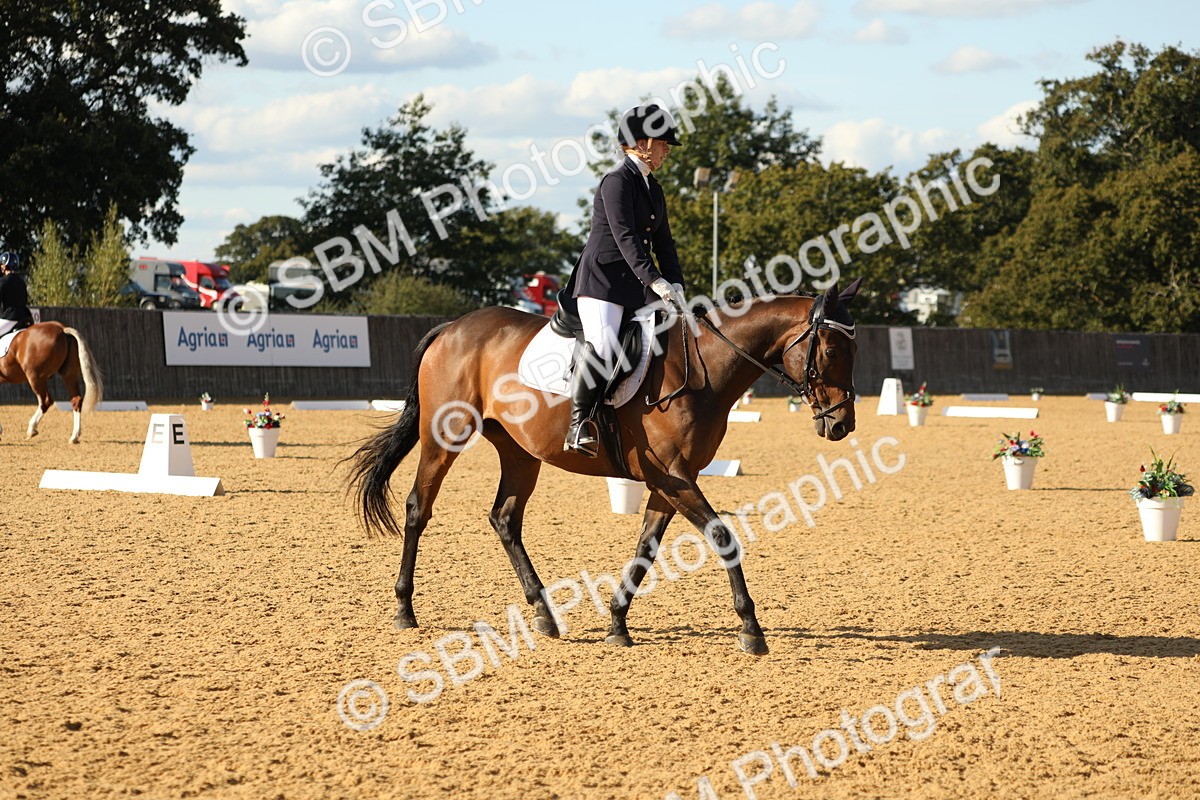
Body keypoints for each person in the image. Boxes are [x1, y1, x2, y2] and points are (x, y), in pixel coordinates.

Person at [559, 104, 688, 457]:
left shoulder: (653, 188)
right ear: (642, 143)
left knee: (670, 340)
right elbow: (625, 237)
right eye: (662, 144)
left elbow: (664, 242)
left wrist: (675, 282)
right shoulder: (616, 182)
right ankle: (579, 424)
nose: (665, 151)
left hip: (636, 287)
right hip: (602, 283)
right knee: (603, 345)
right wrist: (654, 279)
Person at [0, 251, 34, 338]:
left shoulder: (2, 282)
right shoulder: (21, 282)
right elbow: (25, 300)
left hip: (10, 318)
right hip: (25, 317)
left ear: (4, 266)